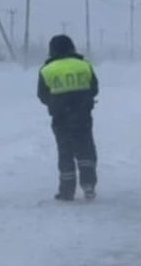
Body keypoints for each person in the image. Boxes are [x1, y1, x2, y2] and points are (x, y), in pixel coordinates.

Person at [37, 34, 100, 201]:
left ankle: (66, 191)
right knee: (86, 149)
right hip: (83, 116)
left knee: (65, 152)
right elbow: (94, 88)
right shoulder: (84, 65)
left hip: (60, 117)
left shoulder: (46, 69)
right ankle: (89, 186)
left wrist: (55, 103)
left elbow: (42, 95)